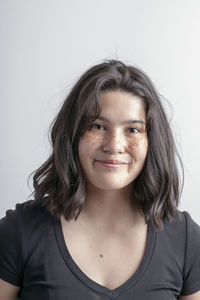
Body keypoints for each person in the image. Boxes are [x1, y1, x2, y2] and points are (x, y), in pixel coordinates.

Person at [0, 59, 200, 300]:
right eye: (97, 126)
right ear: (72, 134)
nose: (114, 145)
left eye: (133, 130)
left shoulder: (186, 239)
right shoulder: (19, 231)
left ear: (152, 142)